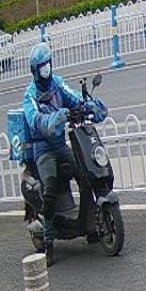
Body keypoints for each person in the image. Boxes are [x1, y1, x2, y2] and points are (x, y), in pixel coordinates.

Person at [22, 43, 106, 265]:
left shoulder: (57, 84)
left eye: (48, 63)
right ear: (35, 69)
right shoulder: (30, 96)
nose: (46, 68)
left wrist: (89, 105)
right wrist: (53, 119)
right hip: (43, 149)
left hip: (60, 145)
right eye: (42, 65)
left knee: (86, 175)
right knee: (49, 188)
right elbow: (35, 120)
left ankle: (90, 224)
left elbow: (74, 97)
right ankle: (49, 242)